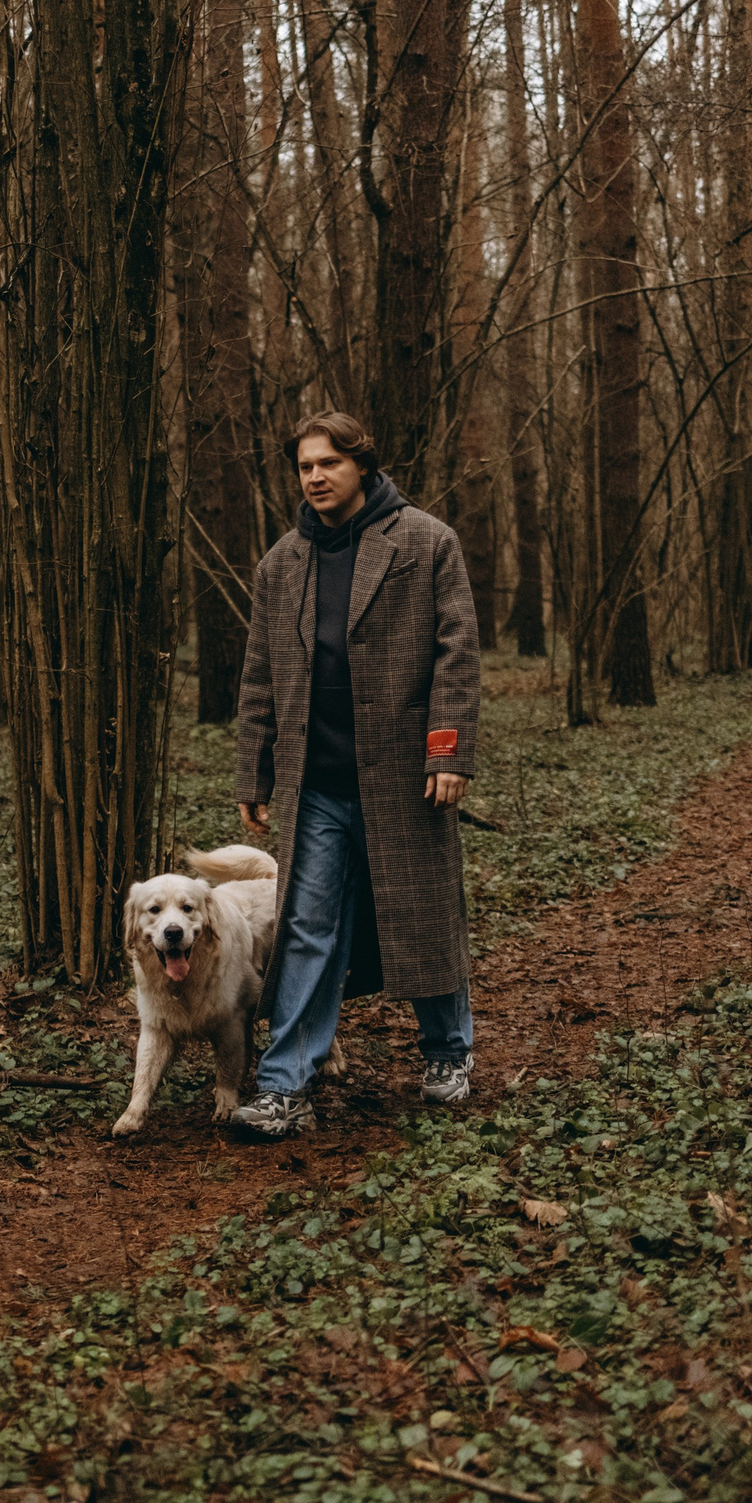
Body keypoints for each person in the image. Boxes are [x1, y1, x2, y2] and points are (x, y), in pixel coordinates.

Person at [229, 411, 480, 1137]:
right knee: (307, 926)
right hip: (318, 783)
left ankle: (447, 1052)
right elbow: (258, 678)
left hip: (406, 774)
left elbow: (456, 654)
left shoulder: (427, 542)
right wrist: (256, 772)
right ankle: (284, 1088)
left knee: (423, 911)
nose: (314, 477)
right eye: (304, 466)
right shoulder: (281, 565)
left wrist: (448, 754)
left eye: (327, 464)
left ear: (362, 467)